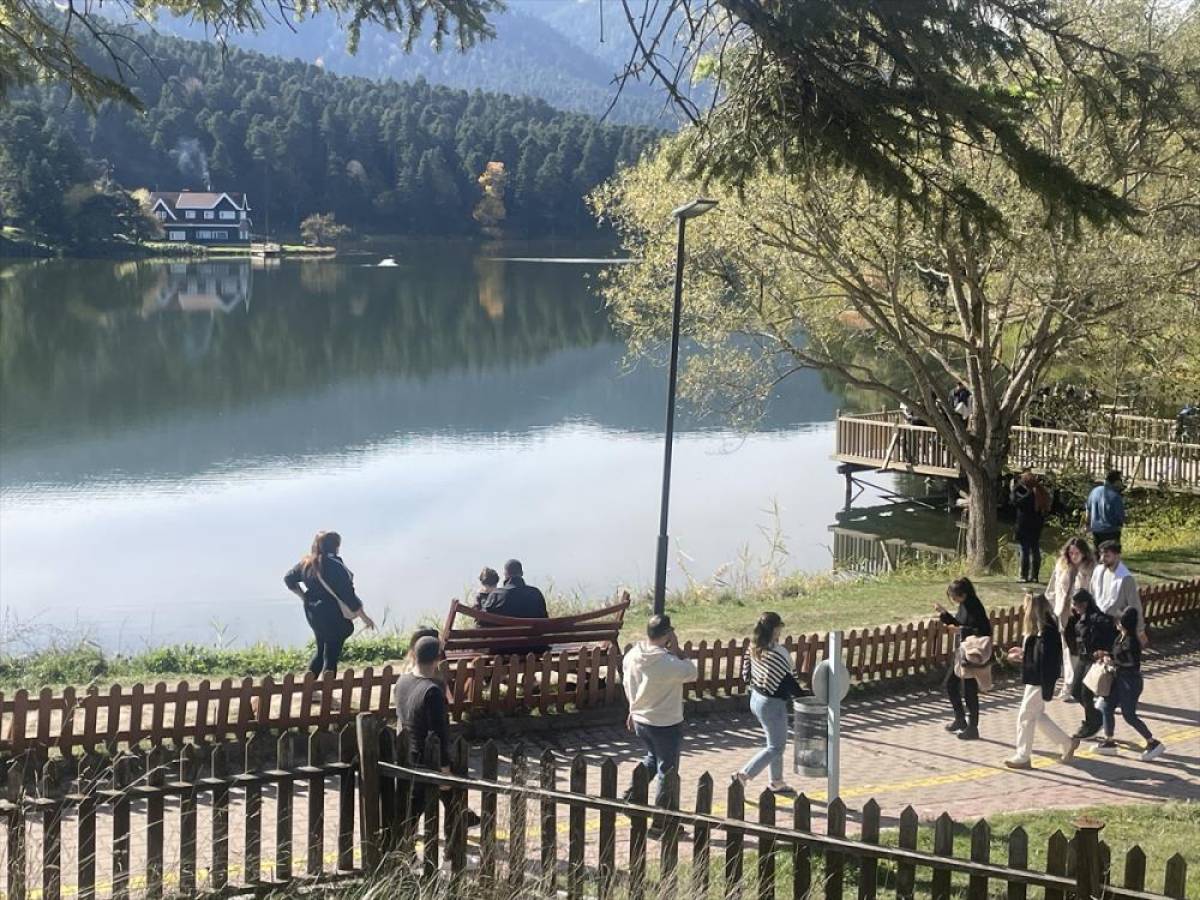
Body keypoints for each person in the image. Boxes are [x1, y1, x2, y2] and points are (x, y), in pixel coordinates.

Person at [392, 636, 481, 828]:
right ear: (438, 659)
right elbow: (439, 733)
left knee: (436, 797)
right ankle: (458, 821)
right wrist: (444, 768)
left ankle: (463, 816)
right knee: (416, 808)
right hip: (426, 757)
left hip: (405, 752)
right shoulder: (432, 692)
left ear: (414, 655)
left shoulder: (402, 682)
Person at [622, 614, 698, 822]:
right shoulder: (668, 663)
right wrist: (677, 649)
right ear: (667, 634)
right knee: (668, 770)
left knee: (653, 759)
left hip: (641, 719)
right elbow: (692, 672)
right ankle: (662, 822)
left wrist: (632, 709)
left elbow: (628, 684)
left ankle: (631, 797)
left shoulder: (632, 655)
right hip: (665, 724)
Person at [1003, 593, 1079, 769]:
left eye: (1026, 606)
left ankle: (1023, 756)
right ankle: (1066, 742)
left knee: (1025, 715)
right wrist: (1024, 654)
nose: (1024, 609)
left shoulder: (1047, 631)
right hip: (1037, 677)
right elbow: (1039, 654)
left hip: (1039, 679)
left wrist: (1024, 658)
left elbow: (1044, 659)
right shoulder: (1043, 628)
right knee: (1036, 715)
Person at [285, 531, 376, 676]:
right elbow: (348, 594)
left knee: (321, 650)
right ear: (336, 546)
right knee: (331, 654)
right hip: (333, 615)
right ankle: (327, 686)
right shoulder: (336, 566)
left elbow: (289, 579)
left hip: (314, 614)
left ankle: (309, 686)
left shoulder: (306, 563)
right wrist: (364, 617)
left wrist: (303, 597)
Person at [734, 612, 806, 795]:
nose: (781, 631)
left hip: (756, 698)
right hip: (772, 705)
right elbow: (790, 682)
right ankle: (743, 775)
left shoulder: (754, 646)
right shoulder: (778, 653)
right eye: (780, 627)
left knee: (774, 742)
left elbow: (746, 674)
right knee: (776, 747)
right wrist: (805, 698)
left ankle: (777, 782)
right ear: (775, 629)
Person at [1095, 607, 1166, 761]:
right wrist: (1105, 654)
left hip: (1130, 682)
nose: (1116, 622)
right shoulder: (1120, 637)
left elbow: (1132, 663)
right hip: (1118, 679)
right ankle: (1109, 741)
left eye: (1119, 620)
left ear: (1125, 623)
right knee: (1107, 706)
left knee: (1129, 715)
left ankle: (1152, 742)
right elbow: (1116, 654)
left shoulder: (1131, 641)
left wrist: (1114, 662)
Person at [934, 578, 993, 740]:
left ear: (964, 594)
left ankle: (973, 728)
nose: (953, 599)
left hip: (973, 654)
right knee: (950, 684)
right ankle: (960, 719)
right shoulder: (964, 605)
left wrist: (961, 630)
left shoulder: (975, 607)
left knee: (969, 691)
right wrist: (944, 614)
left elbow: (982, 630)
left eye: (954, 596)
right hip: (963, 651)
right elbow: (958, 623)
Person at [1045, 538, 1095, 699]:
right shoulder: (1061, 565)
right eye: (1071, 553)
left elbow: (1095, 592)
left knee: (1083, 650)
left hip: (1084, 615)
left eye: (1077, 553)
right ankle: (1069, 685)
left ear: (1084, 553)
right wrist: (1055, 607)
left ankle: (1084, 685)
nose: (1074, 556)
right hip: (1065, 614)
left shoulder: (1091, 568)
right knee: (1068, 651)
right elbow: (1052, 589)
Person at [1064, 589, 1117, 740]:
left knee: (1086, 693)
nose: (1074, 607)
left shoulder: (1098, 619)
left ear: (1085, 604)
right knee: (1075, 690)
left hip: (1094, 660)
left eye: (1076, 604)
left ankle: (1091, 723)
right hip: (1083, 658)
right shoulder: (1078, 618)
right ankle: (1096, 716)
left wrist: (1105, 653)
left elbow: (1110, 636)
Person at [1091, 540, 1146, 644]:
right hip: (1098, 621)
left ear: (1117, 556)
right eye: (1101, 555)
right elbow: (1092, 593)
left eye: (1107, 556)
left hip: (1116, 626)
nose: (1102, 559)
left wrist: (1140, 630)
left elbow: (1135, 605)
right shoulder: (1098, 571)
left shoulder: (1126, 578)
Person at [1012, 470, 1050, 583]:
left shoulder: (1028, 494)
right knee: (1035, 549)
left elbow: (1015, 502)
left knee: (1025, 550)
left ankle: (1024, 576)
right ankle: (1035, 576)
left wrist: (1015, 488)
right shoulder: (1041, 492)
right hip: (1037, 525)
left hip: (1024, 525)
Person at [480, 559, 549, 618]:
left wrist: (482, 598)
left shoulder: (496, 595)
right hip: (533, 630)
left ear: (506, 574)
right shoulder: (536, 593)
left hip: (504, 630)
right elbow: (544, 618)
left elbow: (482, 619)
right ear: (522, 573)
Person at [1086, 471, 1126, 550]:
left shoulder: (1094, 492)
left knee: (1097, 553)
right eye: (1120, 481)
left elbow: (1088, 511)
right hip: (1111, 531)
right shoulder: (1115, 496)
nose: (1121, 484)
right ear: (1116, 482)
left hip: (1096, 530)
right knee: (1111, 554)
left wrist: (1087, 525)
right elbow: (1120, 517)